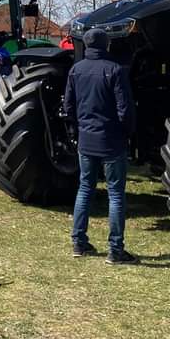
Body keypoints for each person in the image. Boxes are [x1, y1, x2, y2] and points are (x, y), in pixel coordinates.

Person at [64, 27, 137, 264]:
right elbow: (124, 109)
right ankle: (115, 249)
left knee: (85, 188)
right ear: (107, 46)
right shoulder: (114, 70)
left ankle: (79, 242)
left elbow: (69, 107)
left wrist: (76, 130)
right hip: (112, 140)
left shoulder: (76, 70)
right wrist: (128, 133)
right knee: (116, 194)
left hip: (86, 139)